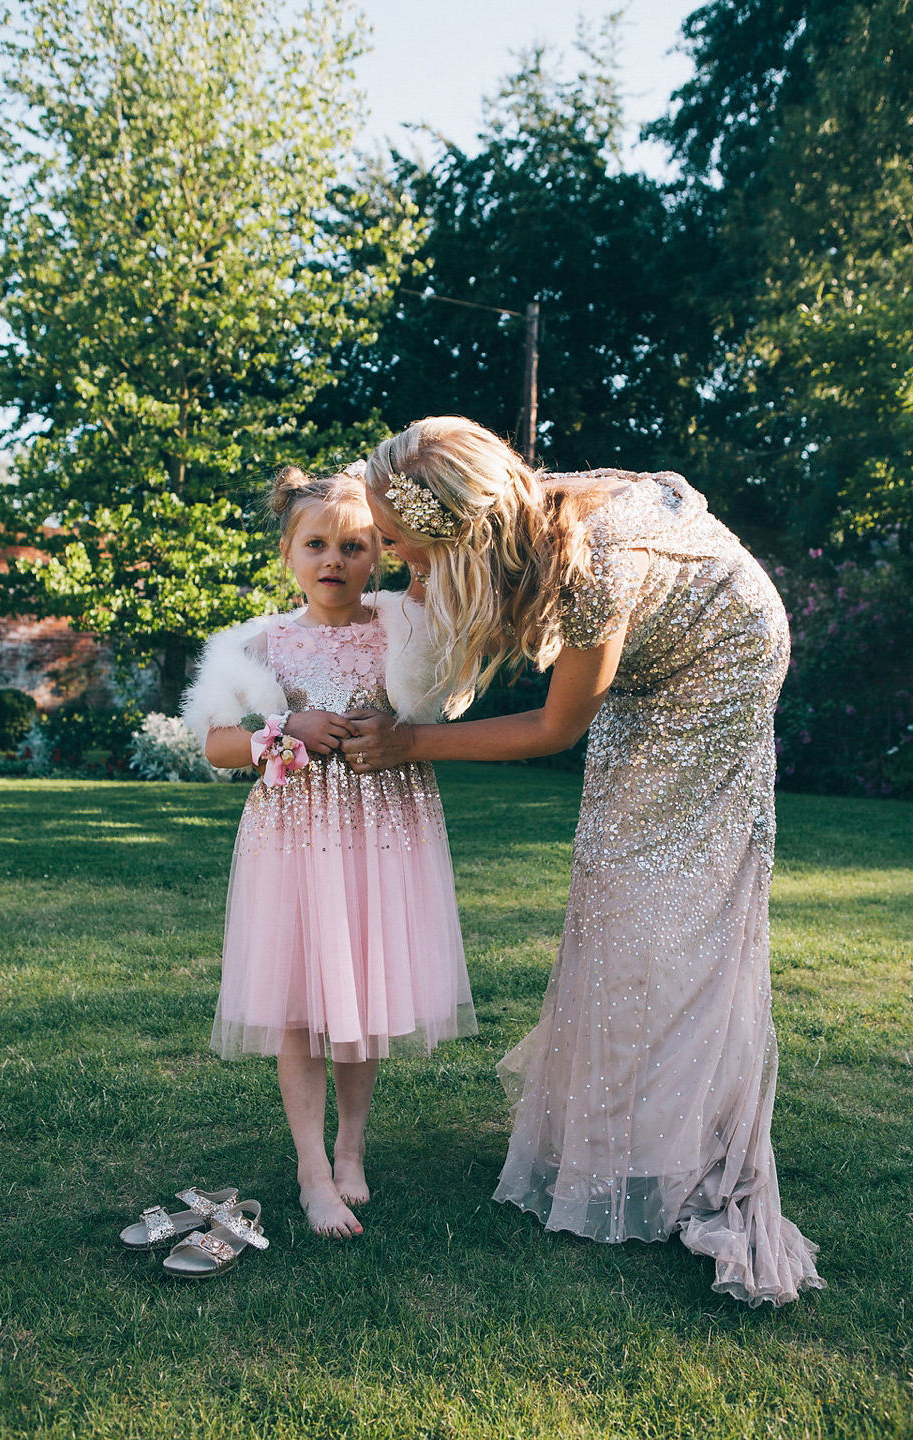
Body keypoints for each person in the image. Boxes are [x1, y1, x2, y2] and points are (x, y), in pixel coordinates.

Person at [342, 415, 824, 1306]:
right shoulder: (520, 522)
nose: (405, 566)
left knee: (660, 896)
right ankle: (618, 1137)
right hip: (654, 664)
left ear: (458, 530)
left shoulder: (591, 558)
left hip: (722, 664)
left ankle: (681, 1153)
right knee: (610, 876)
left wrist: (410, 743)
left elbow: (557, 726)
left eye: (407, 548)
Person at [181, 465, 476, 1239]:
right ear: (288, 555)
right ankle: (312, 1169)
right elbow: (215, 743)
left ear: (379, 552)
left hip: (384, 828)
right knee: (298, 999)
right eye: (316, 545)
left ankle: (351, 1149)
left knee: (360, 993)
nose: (333, 561)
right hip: (297, 833)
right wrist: (284, 730)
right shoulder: (259, 644)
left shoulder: (406, 631)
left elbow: (444, 681)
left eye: (352, 545)